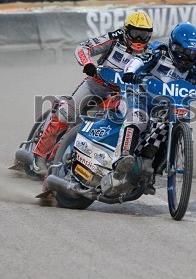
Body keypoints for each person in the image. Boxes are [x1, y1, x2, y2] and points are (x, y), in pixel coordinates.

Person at [112, 22, 196, 190]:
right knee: (138, 119)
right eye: (184, 52)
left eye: (193, 54)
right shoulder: (158, 52)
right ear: (174, 46)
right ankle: (121, 159)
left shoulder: (194, 66)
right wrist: (129, 73)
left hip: (164, 104)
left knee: (174, 122)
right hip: (140, 94)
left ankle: (149, 170)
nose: (188, 57)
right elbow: (137, 61)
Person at [33, 11, 154, 175]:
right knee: (67, 114)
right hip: (96, 85)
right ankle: (38, 157)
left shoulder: (151, 53)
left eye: (144, 34)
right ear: (127, 30)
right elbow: (83, 48)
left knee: (127, 124)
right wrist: (88, 64)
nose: (139, 39)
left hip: (123, 95)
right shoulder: (113, 39)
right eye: (135, 33)